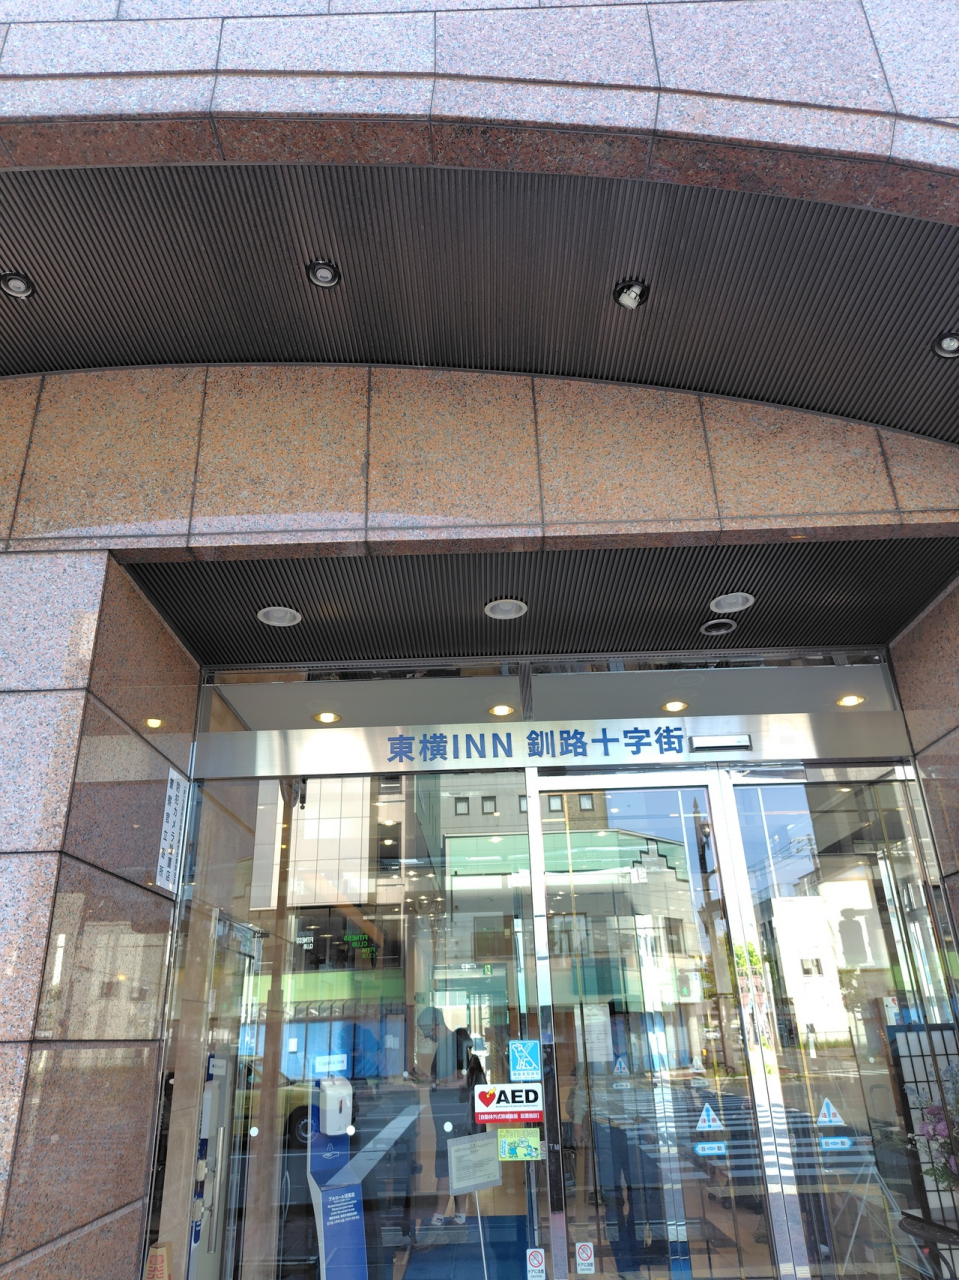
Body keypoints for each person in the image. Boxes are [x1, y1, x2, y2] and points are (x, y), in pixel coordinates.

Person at [417, 1008, 474, 1227]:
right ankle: (458, 1216)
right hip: (450, 1114)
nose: (426, 1035)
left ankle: (439, 1216)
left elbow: (460, 1080)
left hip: (453, 1114)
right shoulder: (449, 1044)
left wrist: (432, 1082)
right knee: (456, 1162)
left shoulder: (453, 1044)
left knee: (447, 1164)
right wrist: (428, 1080)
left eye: (425, 1030)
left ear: (434, 1024)